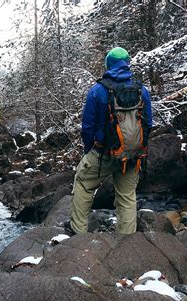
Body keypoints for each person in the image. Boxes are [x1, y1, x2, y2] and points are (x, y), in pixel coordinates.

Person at [65, 47, 153, 235]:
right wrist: (139, 147)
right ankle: (127, 240)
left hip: (102, 152)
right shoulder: (141, 90)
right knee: (127, 197)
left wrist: (89, 151)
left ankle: (78, 234)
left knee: (83, 184)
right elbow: (148, 122)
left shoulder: (98, 90)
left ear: (108, 64)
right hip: (132, 154)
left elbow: (87, 127)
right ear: (127, 63)